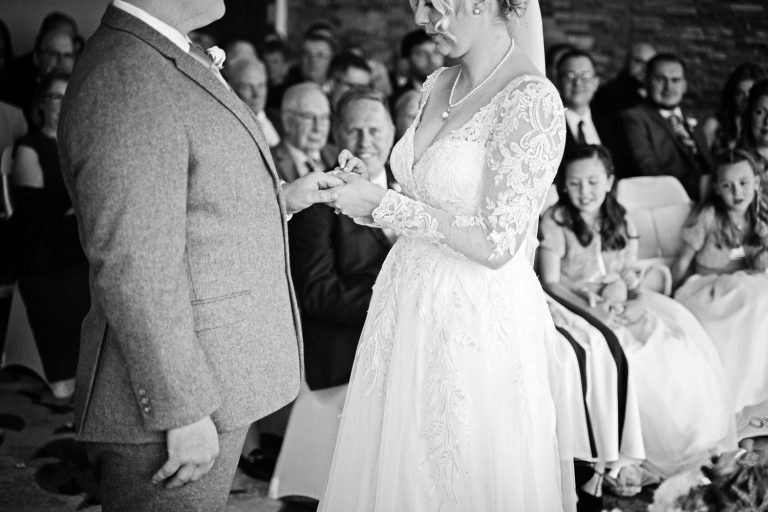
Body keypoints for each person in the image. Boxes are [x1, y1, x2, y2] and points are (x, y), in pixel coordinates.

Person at [57, 1, 346, 510]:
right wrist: (181, 409)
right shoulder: (126, 74)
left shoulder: (163, 51)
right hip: (173, 401)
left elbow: (184, 202)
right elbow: (133, 261)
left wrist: (284, 200)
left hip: (212, 377)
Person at [319, 0, 578, 509]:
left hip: (474, 318)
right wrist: (365, 193)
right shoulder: (436, 82)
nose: (420, 18)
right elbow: (421, 202)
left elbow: (497, 243)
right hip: (406, 305)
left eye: (432, 4)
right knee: (395, 464)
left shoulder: (531, 101)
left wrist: (386, 204)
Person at [538, 144, 736, 480]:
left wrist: (634, 298)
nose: (584, 192)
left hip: (620, 296)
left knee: (674, 346)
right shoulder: (555, 221)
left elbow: (629, 269)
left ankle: (695, 444)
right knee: (633, 355)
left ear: (610, 181)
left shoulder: (620, 216)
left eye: (592, 182)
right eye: (574, 183)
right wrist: (593, 310)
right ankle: (635, 452)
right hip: (574, 301)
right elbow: (551, 282)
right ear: (562, 186)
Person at [673, 149, 768, 444]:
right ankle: (735, 402)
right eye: (727, 185)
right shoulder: (709, 216)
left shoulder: (759, 216)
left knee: (758, 293)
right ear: (716, 188)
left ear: (756, 182)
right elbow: (682, 260)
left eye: (743, 183)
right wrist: (672, 295)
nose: (736, 192)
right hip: (707, 288)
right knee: (755, 292)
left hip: (745, 287)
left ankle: (758, 404)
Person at [9, 71, 88, 400]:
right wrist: (78, 203)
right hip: (43, 246)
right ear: (42, 103)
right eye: (55, 96)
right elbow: (32, 208)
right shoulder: (30, 146)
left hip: (79, 240)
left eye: (67, 95)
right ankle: (62, 374)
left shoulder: (83, 144)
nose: (61, 103)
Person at [620, 53, 711, 201]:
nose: (668, 87)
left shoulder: (691, 117)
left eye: (675, 80)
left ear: (684, 85)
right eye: (660, 79)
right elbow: (649, 172)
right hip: (669, 201)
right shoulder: (634, 118)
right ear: (646, 82)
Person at [556, 49, 630, 179]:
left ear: (596, 83)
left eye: (585, 76)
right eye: (570, 75)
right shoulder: (549, 125)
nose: (578, 83)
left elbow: (627, 169)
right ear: (557, 82)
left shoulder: (611, 120)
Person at [273, 82, 337, 182]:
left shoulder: (338, 155)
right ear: (287, 120)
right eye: (309, 117)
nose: (318, 127)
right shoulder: (267, 162)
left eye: (324, 117)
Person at [701, 63, 765, 156]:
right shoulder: (714, 125)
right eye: (740, 93)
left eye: (752, 93)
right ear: (732, 95)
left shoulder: (763, 127)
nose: (746, 99)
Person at [224, 58, 281, 147]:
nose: (256, 94)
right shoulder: (228, 129)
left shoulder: (281, 120)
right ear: (232, 88)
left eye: (261, 86)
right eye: (247, 87)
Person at [592, 42, 656, 117]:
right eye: (638, 61)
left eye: (649, 64)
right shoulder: (609, 93)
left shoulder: (655, 94)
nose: (644, 68)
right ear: (626, 61)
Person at [390, 29, 444, 107]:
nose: (432, 59)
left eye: (436, 52)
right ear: (406, 61)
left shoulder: (458, 91)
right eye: (421, 54)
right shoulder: (396, 101)